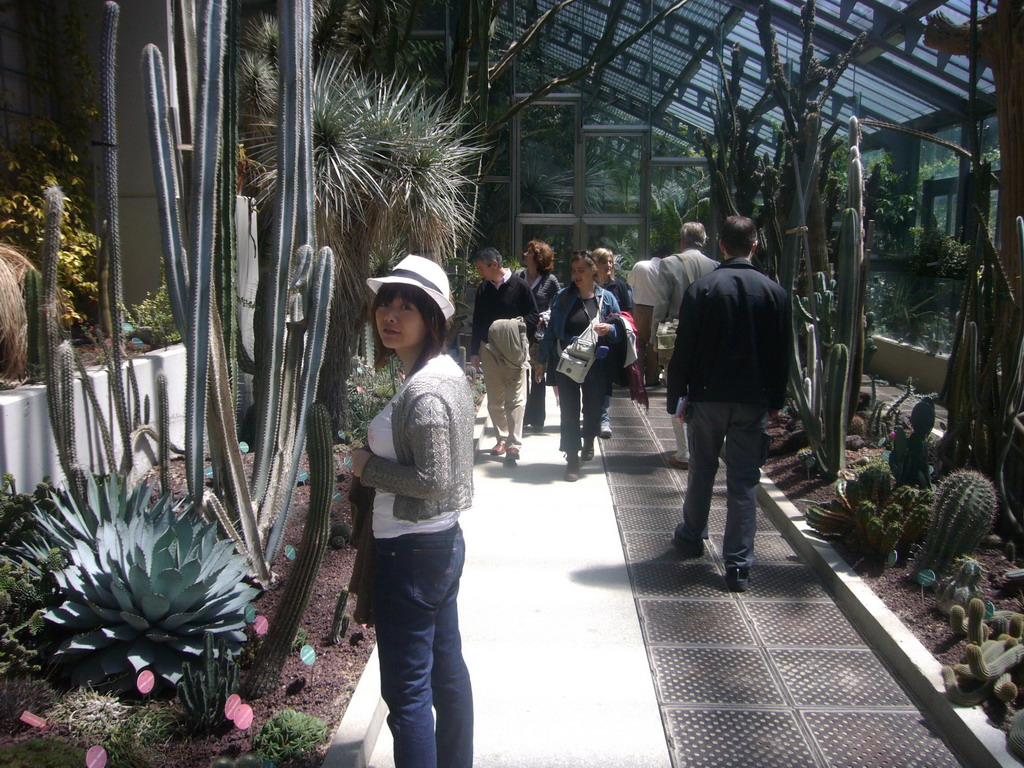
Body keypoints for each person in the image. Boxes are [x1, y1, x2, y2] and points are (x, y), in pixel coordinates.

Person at [350, 254, 475, 768]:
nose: (390, 316)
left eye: (407, 307)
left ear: (432, 319)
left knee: (407, 696)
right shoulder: (443, 373)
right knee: (446, 675)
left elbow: (433, 479)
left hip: (411, 552)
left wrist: (364, 467)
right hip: (438, 547)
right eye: (386, 305)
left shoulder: (424, 391)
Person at [666, 216, 790, 593]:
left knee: (701, 469)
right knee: (743, 481)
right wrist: (776, 399)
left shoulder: (702, 290)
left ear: (721, 246)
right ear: (755, 245)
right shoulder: (775, 294)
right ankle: (738, 565)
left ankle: (691, 537)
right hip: (752, 400)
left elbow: (683, 348)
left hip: (707, 396)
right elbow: (781, 353)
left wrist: (677, 396)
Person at [536, 250, 621, 481]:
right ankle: (572, 458)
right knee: (569, 411)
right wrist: (541, 361)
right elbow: (551, 331)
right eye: (573, 271)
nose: (576, 275)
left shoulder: (607, 298)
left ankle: (589, 439)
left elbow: (620, 329)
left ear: (594, 270)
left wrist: (609, 329)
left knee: (593, 410)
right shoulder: (562, 297)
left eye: (581, 270)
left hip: (597, 364)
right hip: (567, 362)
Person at [656, 223, 718, 470]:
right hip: (708, 336)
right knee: (704, 390)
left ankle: (683, 451)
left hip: (676, 334)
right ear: (704, 240)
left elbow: (661, 304)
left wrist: (653, 339)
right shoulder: (715, 266)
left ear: (681, 240)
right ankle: (702, 447)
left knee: (677, 390)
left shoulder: (669, 263)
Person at [469, 247, 539, 463]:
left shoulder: (520, 286)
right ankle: (502, 438)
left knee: (515, 399)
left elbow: (534, 316)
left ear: (495, 265)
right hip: (489, 350)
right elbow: (478, 321)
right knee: (495, 399)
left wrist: (512, 327)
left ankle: (514, 444)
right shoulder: (483, 289)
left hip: (514, 351)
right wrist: (474, 352)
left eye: (481, 268)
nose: (480, 272)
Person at [516, 240, 561, 433]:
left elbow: (559, 304)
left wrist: (547, 316)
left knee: (537, 375)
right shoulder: (518, 277)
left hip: (539, 336)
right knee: (519, 376)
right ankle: (520, 416)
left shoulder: (550, 280)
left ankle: (536, 418)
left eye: (529, 252)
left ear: (538, 258)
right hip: (518, 334)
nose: (525, 255)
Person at [592, 248, 633, 440]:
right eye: (603, 261)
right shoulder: (586, 287)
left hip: (611, 343)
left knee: (606, 380)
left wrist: (612, 327)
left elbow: (627, 316)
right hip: (589, 342)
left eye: (610, 261)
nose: (608, 265)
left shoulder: (619, 287)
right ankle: (592, 414)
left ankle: (604, 419)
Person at [627, 245, 669, 386]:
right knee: (653, 346)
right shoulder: (666, 268)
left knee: (639, 343)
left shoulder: (640, 266)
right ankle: (652, 379)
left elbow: (630, 282)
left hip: (640, 309)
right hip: (658, 310)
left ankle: (637, 378)